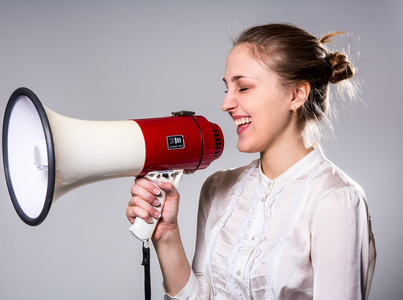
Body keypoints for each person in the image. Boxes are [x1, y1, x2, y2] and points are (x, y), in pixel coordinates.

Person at [126, 23, 376, 300]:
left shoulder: (334, 199)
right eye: (227, 89)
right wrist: (166, 235)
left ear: (296, 95)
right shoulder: (218, 188)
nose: (226, 104)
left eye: (243, 87)